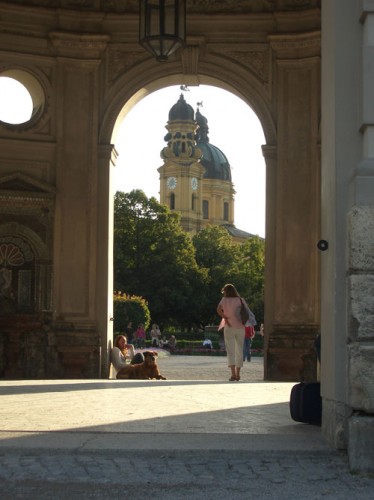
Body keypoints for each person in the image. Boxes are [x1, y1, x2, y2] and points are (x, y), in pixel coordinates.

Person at [217, 283, 252, 381]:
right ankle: (238, 374)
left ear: (226, 291)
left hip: (229, 326)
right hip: (240, 327)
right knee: (239, 350)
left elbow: (218, 310)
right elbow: (246, 312)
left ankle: (232, 374)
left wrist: (225, 317)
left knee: (230, 350)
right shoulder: (240, 300)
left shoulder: (224, 300)